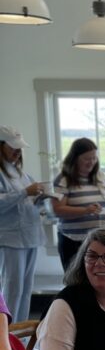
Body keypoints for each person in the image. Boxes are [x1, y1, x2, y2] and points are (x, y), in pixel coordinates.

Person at [52, 137, 105, 270]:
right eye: (86, 158)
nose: (91, 162)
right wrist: (85, 211)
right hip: (73, 241)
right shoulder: (63, 180)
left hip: (101, 241)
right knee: (76, 282)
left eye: (94, 158)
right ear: (75, 158)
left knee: (100, 279)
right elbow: (58, 209)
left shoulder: (101, 177)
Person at [0, 126, 48, 322]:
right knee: (12, 290)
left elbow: (26, 205)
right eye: (13, 147)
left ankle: (20, 338)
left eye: (20, 148)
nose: (18, 152)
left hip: (30, 237)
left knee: (25, 290)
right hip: (11, 239)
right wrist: (24, 193)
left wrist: (41, 198)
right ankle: (6, 338)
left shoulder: (23, 174)